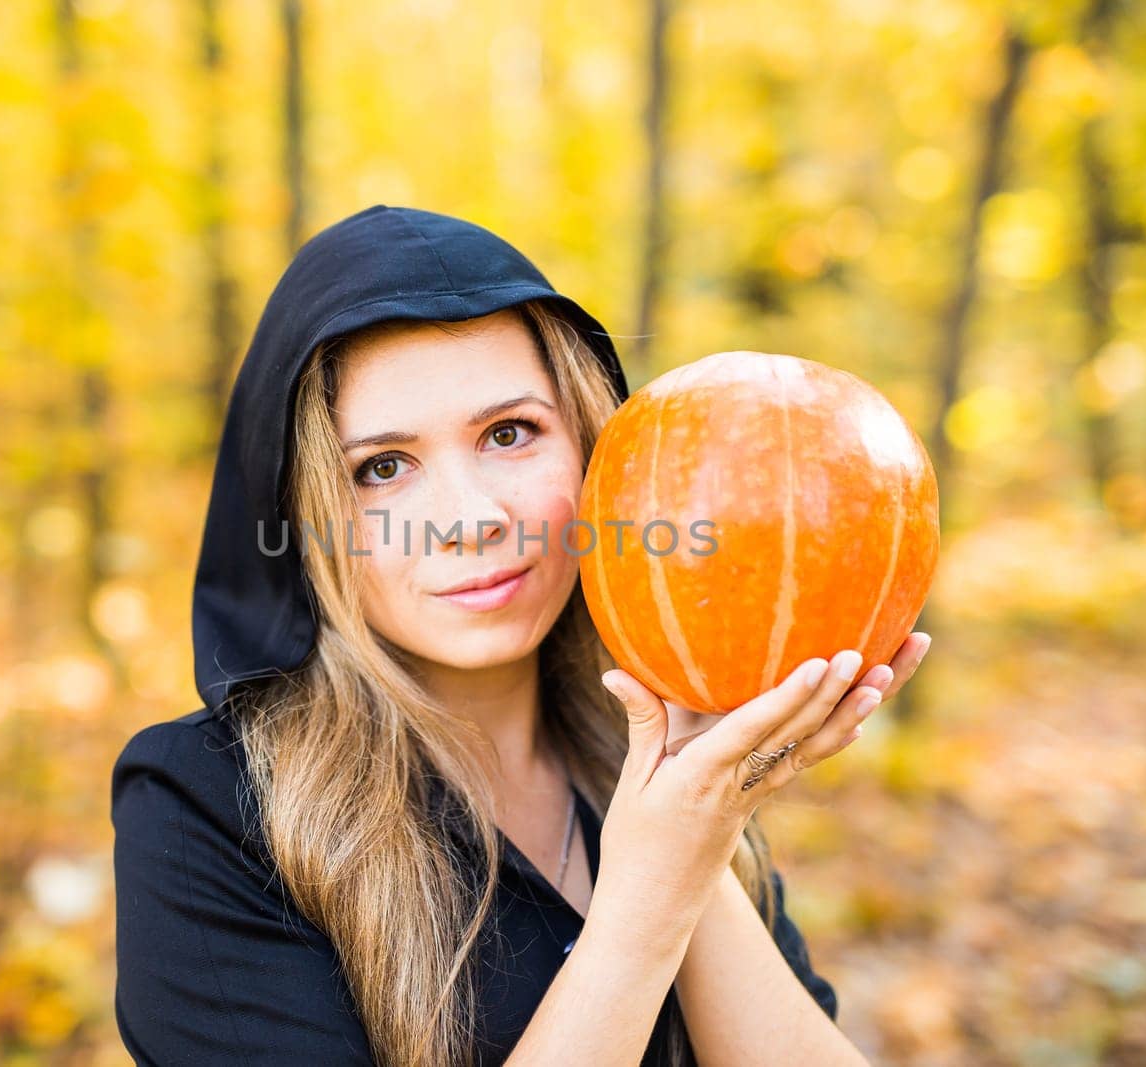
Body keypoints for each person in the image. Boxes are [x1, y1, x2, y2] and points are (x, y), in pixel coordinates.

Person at [111, 204, 931, 1066]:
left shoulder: (663, 760)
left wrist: (692, 813)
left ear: (595, 449)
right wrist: (649, 898)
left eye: (510, 434)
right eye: (382, 468)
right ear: (304, 509)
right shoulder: (207, 809)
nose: (470, 520)